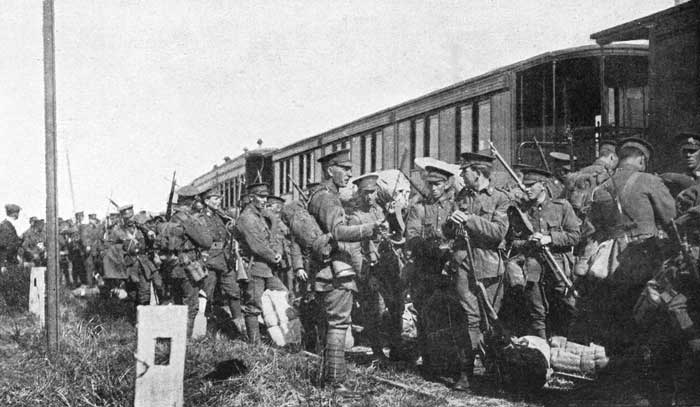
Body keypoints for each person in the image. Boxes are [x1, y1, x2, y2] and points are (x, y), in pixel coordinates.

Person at [306, 150, 383, 394]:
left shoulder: (325, 196)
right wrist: (368, 229)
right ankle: (336, 381)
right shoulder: (327, 198)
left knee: (332, 324)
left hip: (327, 269)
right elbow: (338, 231)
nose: (350, 173)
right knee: (338, 324)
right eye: (345, 168)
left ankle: (330, 376)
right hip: (334, 272)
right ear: (330, 170)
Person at [589, 137, 676, 352]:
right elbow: (672, 218)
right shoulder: (648, 180)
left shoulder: (602, 187)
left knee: (619, 309)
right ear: (641, 160)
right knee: (649, 305)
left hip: (610, 260)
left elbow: (591, 228)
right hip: (645, 255)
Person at [446, 152, 510, 391]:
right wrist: (451, 223)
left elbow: (498, 233)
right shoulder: (461, 196)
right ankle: (466, 373)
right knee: (469, 319)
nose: (462, 175)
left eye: (465, 171)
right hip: (463, 263)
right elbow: (448, 232)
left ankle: (496, 373)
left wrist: (470, 219)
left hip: (489, 266)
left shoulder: (500, 199)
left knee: (490, 319)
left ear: (479, 172)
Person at [508, 165, 581, 341]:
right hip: (533, 266)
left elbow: (575, 236)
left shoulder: (561, 207)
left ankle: (569, 345)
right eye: (525, 185)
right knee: (536, 311)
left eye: (531, 184)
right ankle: (542, 348)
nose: (527, 189)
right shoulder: (522, 212)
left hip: (558, 267)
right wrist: (528, 242)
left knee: (566, 306)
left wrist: (550, 238)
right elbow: (513, 242)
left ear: (542, 184)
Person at [404, 165, 458, 366]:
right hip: (425, 269)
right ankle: (428, 359)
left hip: (448, 268)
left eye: (438, 184)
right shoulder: (419, 208)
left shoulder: (454, 207)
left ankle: (448, 358)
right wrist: (432, 249)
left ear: (446, 185)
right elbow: (412, 237)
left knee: (448, 314)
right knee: (424, 312)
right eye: (431, 184)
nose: (434, 188)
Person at [235, 183, 288, 343]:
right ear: (251, 198)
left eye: (265, 196)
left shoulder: (261, 216)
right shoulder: (246, 218)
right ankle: (255, 343)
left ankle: (281, 336)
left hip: (267, 267)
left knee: (282, 293)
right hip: (254, 266)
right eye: (261, 196)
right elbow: (256, 245)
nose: (264, 200)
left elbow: (273, 237)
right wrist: (274, 256)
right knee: (253, 305)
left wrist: (277, 252)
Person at [163, 185, 213, 337]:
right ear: (192, 201)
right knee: (191, 305)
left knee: (178, 303)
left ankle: (175, 338)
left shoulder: (173, 218)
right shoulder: (187, 219)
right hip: (187, 266)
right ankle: (185, 343)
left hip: (173, 266)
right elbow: (206, 241)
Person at [199, 188, 244, 336]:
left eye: (219, 198)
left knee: (233, 291)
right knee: (207, 294)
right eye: (215, 198)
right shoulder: (200, 218)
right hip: (210, 260)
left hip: (225, 259)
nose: (219, 201)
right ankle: (206, 329)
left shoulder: (222, 217)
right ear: (206, 201)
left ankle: (239, 326)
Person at [0, 204, 22, 271]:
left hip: (10, 259)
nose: (18, 215)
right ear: (14, 214)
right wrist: (3, 264)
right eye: (18, 213)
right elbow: (4, 245)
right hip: (7, 261)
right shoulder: (6, 226)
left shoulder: (7, 225)